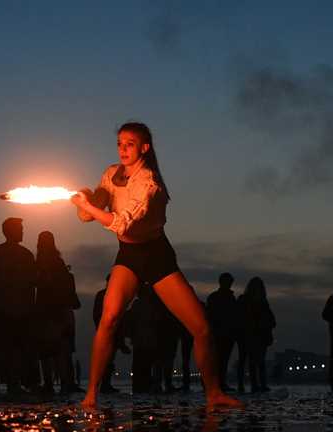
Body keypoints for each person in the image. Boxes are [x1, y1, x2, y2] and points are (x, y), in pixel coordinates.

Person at [71, 122, 239, 409]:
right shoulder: (111, 174)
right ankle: (91, 396)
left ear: (144, 148)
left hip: (156, 254)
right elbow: (87, 218)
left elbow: (121, 222)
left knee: (201, 327)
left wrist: (88, 208)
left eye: (130, 143)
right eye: (120, 143)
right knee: (109, 319)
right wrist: (84, 201)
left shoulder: (149, 182)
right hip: (128, 255)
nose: (123, 149)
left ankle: (214, 393)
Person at [0, 217, 37, 395]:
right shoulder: (24, 254)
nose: (22, 231)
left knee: (4, 347)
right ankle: (7, 381)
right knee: (10, 347)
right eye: (20, 228)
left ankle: (2, 381)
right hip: (10, 308)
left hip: (8, 308)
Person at [33, 230, 80, 395]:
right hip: (58, 309)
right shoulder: (58, 262)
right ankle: (65, 382)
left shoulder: (38, 263)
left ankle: (49, 383)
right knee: (59, 349)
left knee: (47, 350)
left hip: (45, 309)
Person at [239, 277, 276, 392]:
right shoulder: (253, 301)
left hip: (259, 334)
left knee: (257, 361)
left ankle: (258, 385)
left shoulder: (261, 302)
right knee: (254, 361)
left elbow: (270, 319)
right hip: (251, 333)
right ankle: (256, 385)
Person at [205, 272, 241, 391]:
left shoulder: (214, 297)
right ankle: (219, 383)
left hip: (223, 333)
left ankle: (217, 383)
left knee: (219, 359)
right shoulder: (227, 298)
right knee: (221, 359)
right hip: (223, 333)